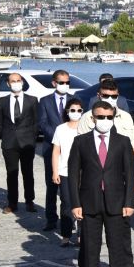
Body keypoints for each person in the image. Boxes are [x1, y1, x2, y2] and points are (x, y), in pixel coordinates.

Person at [69, 100, 134, 267]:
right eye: (101, 117)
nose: (105, 121)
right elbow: (73, 175)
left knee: (116, 247)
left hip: (116, 203)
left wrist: (129, 202)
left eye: (109, 117)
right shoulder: (81, 141)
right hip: (89, 203)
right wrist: (75, 203)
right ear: (93, 118)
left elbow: (130, 174)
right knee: (90, 247)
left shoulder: (123, 141)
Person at [77, 79, 134, 267]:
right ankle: (85, 265)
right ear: (98, 95)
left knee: (123, 223)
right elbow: (79, 153)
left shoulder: (125, 118)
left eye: (114, 96)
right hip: (93, 178)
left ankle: (126, 261)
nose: (111, 99)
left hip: (118, 176)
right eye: (106, 96)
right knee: (89, 229)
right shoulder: (88, 118)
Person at [0, 72, 38, 214]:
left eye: (18, 80)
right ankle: (12, 203)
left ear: (23, 82)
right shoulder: (1, 101)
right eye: (12, 81)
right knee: (11, 174)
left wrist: (32, 136)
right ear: (8, 84)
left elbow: (36, 122)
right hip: (9, 143)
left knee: (28, 173)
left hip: (27, 143)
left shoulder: (32, 100)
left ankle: (29, 201)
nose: (16, 83)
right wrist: (8, 135)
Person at [37, 70, 73, 232]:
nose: (65, 85)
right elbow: (42, 123)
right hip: (51, 148)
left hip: (72, 150)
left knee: (71, 186)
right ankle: (51, 219)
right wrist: (59, 137)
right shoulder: (45, 101)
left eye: (67, 82)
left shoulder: (74, 101)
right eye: (61, 82)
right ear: (54, 83)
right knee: (52, 185)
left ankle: (70, 218)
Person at [50, 98, 85, 247]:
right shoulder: (60, 129)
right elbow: (56, 151)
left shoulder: (86, 128)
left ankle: (81, 235)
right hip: (64, 172)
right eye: (73, 110)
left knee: (83, 204)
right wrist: (55, 172)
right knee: (66, 203)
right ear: (67, 111)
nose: (75, 113)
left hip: (84, 172)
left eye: (79, 110)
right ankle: (65, 235)